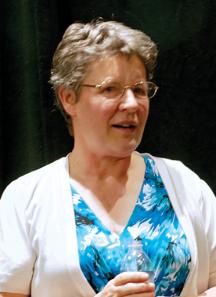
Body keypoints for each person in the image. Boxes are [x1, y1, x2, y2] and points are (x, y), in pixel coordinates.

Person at [0, 19, 216, 297]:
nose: (131, 104)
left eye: (139, 90)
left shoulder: (183, 183)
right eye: (110, 89)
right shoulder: (26, 198)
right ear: (68, 98)